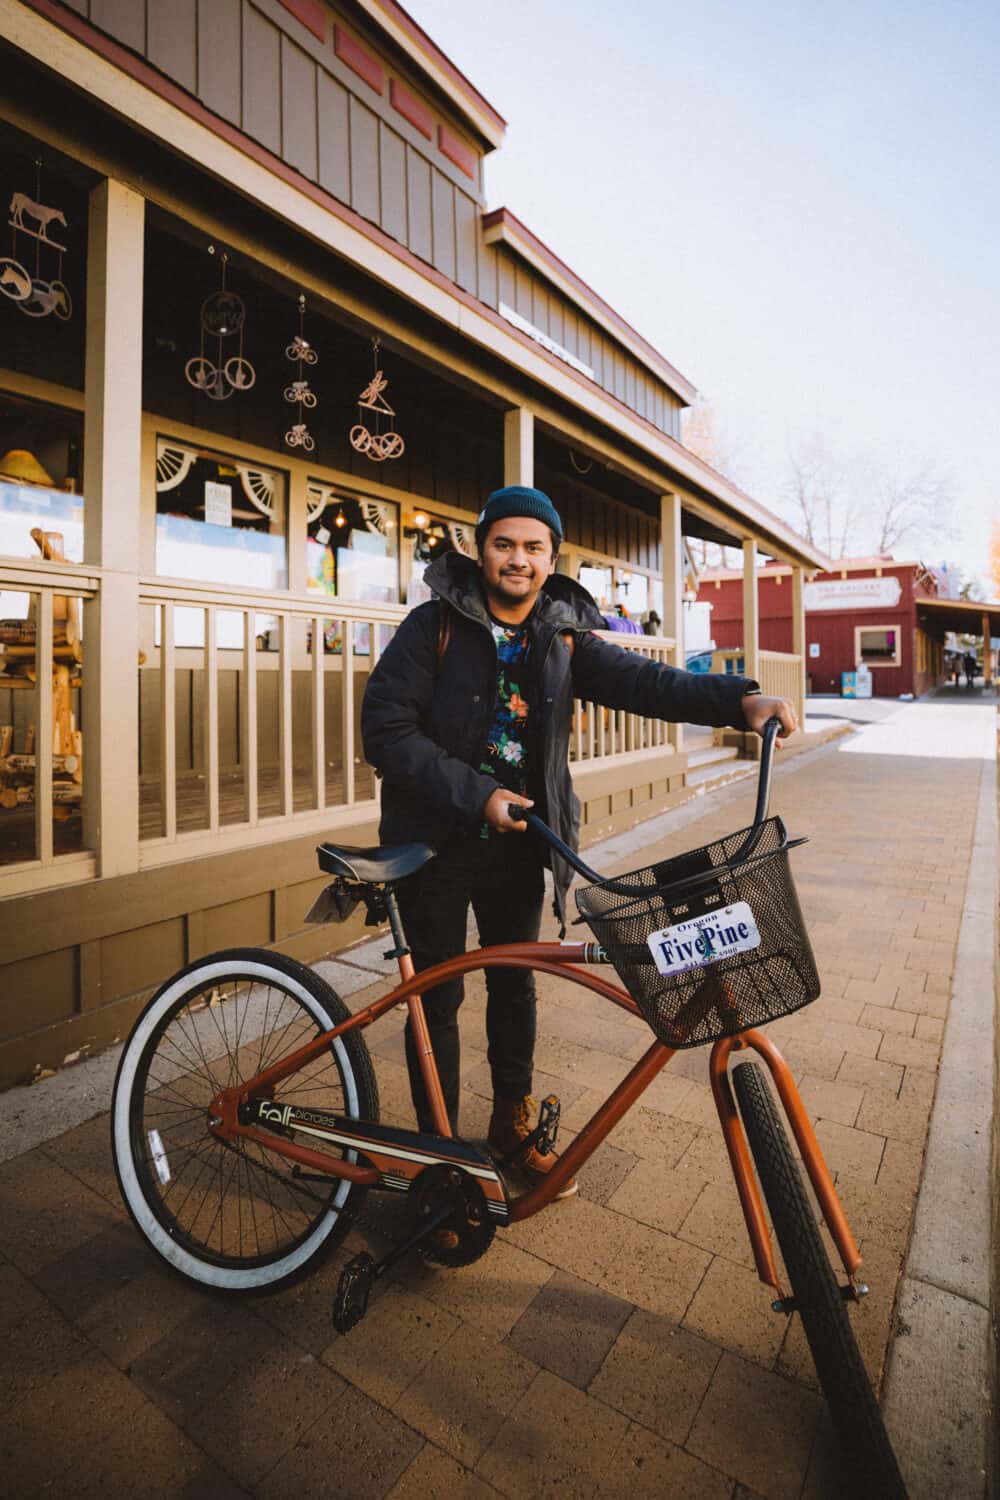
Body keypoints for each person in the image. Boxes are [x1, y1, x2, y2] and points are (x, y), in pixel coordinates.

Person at [361, 485, 796, 1194]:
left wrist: (738, 701)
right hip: (430, 843)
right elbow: (386, 731)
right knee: (433, 999)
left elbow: (647, 682)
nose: (518, 560)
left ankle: (509, 1122)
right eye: (504, 543)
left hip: (519, 839)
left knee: (514, 983)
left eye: (534, 548)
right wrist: (478, 794)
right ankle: (439, 1160)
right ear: (480, 549)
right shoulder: (429, 626)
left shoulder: (559, 638)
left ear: (551, 558)